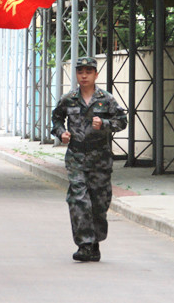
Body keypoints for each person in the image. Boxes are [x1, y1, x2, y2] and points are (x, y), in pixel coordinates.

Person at [51, 56, 127, 263]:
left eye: (88, 72)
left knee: (99, 202)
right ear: (76, 74)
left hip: (100, 158)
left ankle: (94, 243)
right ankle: (84, 244)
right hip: (76, 157)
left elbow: (122, 121)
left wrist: (104, 123)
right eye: (80, 72)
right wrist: (61, 133)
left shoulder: (106, 99)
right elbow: (56, 119)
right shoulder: (68, 99)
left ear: (96, 74)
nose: (84, 75)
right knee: (78, 199)